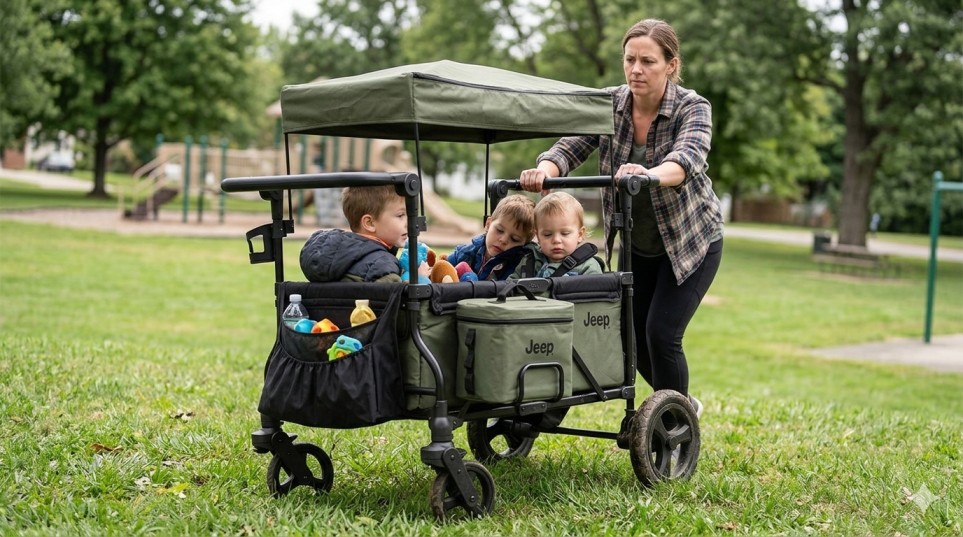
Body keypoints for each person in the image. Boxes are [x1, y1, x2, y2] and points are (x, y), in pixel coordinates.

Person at [519, 18, 723, 418]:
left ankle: (674, 420)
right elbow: (569, 145)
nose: (636, 69)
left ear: (671, 65)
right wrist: (544, 168)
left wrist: (647, 173)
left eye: (648, 61)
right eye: (629, 59)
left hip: (690, 243)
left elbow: (686, 161)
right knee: (628, 336)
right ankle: (681, 406)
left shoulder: (693, 107)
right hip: (636, 243)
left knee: (661, 335)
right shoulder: (608, 103)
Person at [300, 184, 429, 283]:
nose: (409, 222)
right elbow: (403, 312)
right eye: (400, 215)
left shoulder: (338, 258)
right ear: (370, 223)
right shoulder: (382, 267)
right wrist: (420, 280)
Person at [510, 191, 604, 279]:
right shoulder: (529, 261)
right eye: (547, 234)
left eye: (565, 233)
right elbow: (509, 287)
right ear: (538, 236)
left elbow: (598, 292)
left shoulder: (588, 266)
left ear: (580, 234)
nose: (556, 240)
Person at [444, 194, 536, 281]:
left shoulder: (518, 269)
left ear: (525, 244)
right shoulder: (465, 253)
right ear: (488, 224)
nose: (503, 240)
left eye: (514, 239)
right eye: (499, 230)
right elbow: (441, 269)